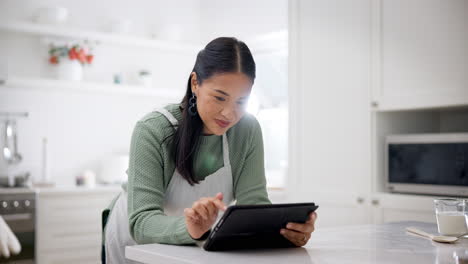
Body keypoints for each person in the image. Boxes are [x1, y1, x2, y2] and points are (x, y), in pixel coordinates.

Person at [102, 37, 317, 263]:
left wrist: (285, 232)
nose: (229, 113)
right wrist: (191, 228)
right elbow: (142, 222)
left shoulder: (247, 130)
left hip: (195, 245)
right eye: (219, 97)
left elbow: (254, 205)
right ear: (195, 83)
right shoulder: (153, 129)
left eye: (241, 101)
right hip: (136, 246)